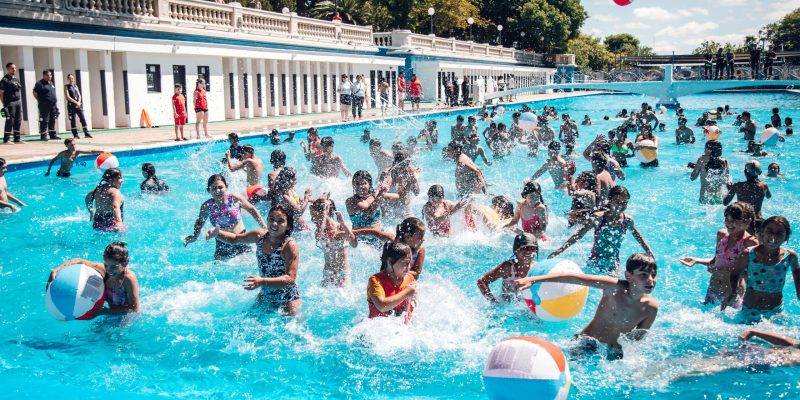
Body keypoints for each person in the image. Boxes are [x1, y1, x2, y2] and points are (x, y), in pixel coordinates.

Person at [514, 253, 658, 359]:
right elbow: (575, 278)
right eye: (643, 275)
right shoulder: (613, 287)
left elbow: (636, 340)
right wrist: (534, 279)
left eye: (654, 275)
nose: (650, 280)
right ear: (628, 275)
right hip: (586, 343)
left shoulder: (651, 308)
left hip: (613, 353)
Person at [207, 205, 302, 315]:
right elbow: (235, 239)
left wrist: (261, 281)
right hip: (265, 294)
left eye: (280, 221)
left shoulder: (289, 245)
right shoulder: (259, 236)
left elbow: (290, 279)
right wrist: (218, 234)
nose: (274, 224)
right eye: (271, 219)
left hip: (287, 299)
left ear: (288, 225)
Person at [550, 186, 654, 275]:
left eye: (624, 203)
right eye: (617, 202)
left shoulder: (627, 220)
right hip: (595, 261)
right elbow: (579, 235)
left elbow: (638, 236)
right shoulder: (599, 218)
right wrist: (560, 250)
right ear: (610, 200)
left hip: (614, 263)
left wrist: (649, 252)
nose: (620, 205)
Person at [680, 202, 757, 308]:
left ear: (747, 221)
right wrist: (696, 260)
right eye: (727, 219)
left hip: (732, 292)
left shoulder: (750, 243)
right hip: (713, 287)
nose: (728, 223)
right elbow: (716, 261)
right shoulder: (721, 235)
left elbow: (752, 273)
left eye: (733, 220)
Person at [725, 216, 799, 323]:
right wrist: (733, 293)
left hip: (774, 313)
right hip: (749, 310)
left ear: (786, 237)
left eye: (779, 233)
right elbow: (735, 274)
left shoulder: (790, 257)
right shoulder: (748, 254)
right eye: (769, 231)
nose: (773, 236)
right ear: (762, 232)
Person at [184, 174, 267, 260]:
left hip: (241, 239)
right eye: (214, 188)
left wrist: (264, 228)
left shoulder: (234, 199)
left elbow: (252, 210)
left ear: (226, 187)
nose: (217, 191)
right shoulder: (207, 206)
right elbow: (200, 222)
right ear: (209, 190)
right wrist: (195, 236)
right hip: (222, 243)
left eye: (220, 187)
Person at [47, 242, 140, 318]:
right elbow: (79, 260)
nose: (109, 270)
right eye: (106, 265)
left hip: (125, 317)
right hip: (107, 312)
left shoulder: (128, 279)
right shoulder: (105, 271)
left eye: (114, 267)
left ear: (125, 263)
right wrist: (55, 270)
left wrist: (105, 311)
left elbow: (134, 309)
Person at [309, 195, 357, 286]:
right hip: (328, 274)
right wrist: (323, 212)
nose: (312, 220)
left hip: (343, 274)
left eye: (314, 216)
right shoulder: (319, 231)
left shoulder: (340, 227)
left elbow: (354, 244)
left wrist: (343, 224)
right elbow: (318, 237)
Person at [355, 217, 427, 278]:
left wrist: (399, 271)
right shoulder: (393, 241)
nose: (424, 239)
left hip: (404, 282)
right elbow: (374, 232)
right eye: (420, 236)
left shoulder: (420, 250)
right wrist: (355, 232)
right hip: (386, 278)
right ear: (407, 236)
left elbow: (416, 274)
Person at [477, 233, 538, 303]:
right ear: (516, 250)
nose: (529, 251)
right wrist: (493, 301)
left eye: (532, 248)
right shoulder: (508, 267)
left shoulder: (537, 268)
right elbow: (482, 281)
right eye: (525, 248)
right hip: (505, 304)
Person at [367, 241, 417, 321]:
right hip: (378, 329)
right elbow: (382, 306)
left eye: (410, 262)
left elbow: (411, 307)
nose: (409, 267)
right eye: (405, 263)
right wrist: (407, 292)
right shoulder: (375, 280)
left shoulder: (409, 278)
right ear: (390, 262)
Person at [723, 160, 771, 230]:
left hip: (741, 221)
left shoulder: (737, 186)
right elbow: (769, 196)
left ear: (745, 172)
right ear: (759, 173)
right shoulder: (763, 186)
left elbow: (725, 202)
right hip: (757, 221)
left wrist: (730, 190)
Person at [689, 140, 730, 204]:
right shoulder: (724, 161)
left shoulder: (701, 159)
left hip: (706, 197)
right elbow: (726, 180)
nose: (704, 151)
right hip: (720, 197)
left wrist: (696, 168)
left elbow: (692, 177)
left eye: (705, 149)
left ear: (709, 150)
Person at [32, 69, 60, 141]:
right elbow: (35, 93)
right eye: (48, 75)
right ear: (44, 75)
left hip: (53, 105)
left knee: (52, 119)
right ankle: (43, 135)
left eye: (50, 75)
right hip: (44, 105)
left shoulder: (51, 83)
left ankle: (52, 134)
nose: (49, 76)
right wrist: (40, 100)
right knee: (44, 120)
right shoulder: (39, 83)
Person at [63, 73, 92, 139]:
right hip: (71, 105)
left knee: (82, 118)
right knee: (73, 120)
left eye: (72, 78)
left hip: (78, 105)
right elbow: (68, 97)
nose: (71, 80)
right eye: (69, 78)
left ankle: (86, 133)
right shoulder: (66, 86)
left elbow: (79, 95)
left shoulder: (75, 86)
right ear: (67, 79)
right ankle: (75, 134)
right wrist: (76, 102)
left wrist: (79, 102)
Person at [1, 62, 23, 144]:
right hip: (9, 102)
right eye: (12, 68)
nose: (14, 69)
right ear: (8, 69)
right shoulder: (5, 80)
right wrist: (5, 104)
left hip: (17, 102)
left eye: (15, 68)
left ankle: (17, 138)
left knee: (18, 120)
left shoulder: (16, 79)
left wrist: (19, 101)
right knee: (10, 120)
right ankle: (6, 139)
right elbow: (1, 93)